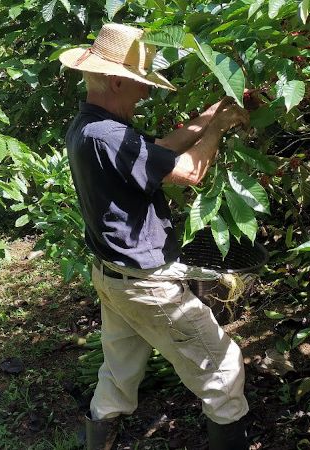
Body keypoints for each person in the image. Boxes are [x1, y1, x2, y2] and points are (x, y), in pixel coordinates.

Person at [59, 23, 251, 450]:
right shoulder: (110, 134)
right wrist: (218, 129)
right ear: (115, 80)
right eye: (138, 85)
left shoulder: (89, 126)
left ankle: (98, 442)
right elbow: (188, 172)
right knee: (224, 369)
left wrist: (208, 116)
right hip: (146, 285)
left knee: (118, 374)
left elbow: (156, 152)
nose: (144, 94)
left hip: (113, 277)